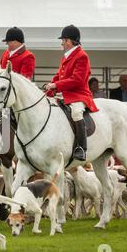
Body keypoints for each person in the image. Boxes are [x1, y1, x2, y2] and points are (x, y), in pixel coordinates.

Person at [44, 25, 99, 161]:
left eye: (63, 40)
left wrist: (55, 85)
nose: (61, 43)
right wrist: (49, 89)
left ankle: (81, 147)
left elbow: (77, 80)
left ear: (70, 41)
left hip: (79, 95)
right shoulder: (66, 57)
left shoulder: (82, 56)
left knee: (76, 113)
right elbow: (59, 75)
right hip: (65, 94)